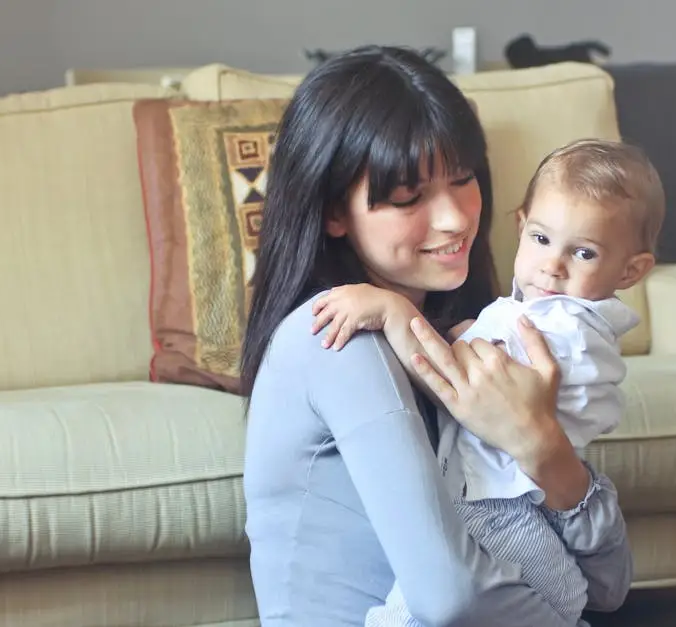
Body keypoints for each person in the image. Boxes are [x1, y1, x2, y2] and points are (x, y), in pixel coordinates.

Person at [241, 44, 632, 627]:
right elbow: (449, 599)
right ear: (334, 212)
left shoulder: (478, 337)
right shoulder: (336, 338)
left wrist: (542, 444)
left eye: (462, 178)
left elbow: (609, 585)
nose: (453, 219)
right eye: (408, 197)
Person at [310, 138, 665, 625]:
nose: (552, 265)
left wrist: (394, 312)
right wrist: (465, 335)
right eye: (541, 239)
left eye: (583, 253)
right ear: (521, 226)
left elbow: (457, 385)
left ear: (631, 270)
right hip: (517, 507)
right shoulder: (542, 315)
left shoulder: (562, 327)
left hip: (499, 508)